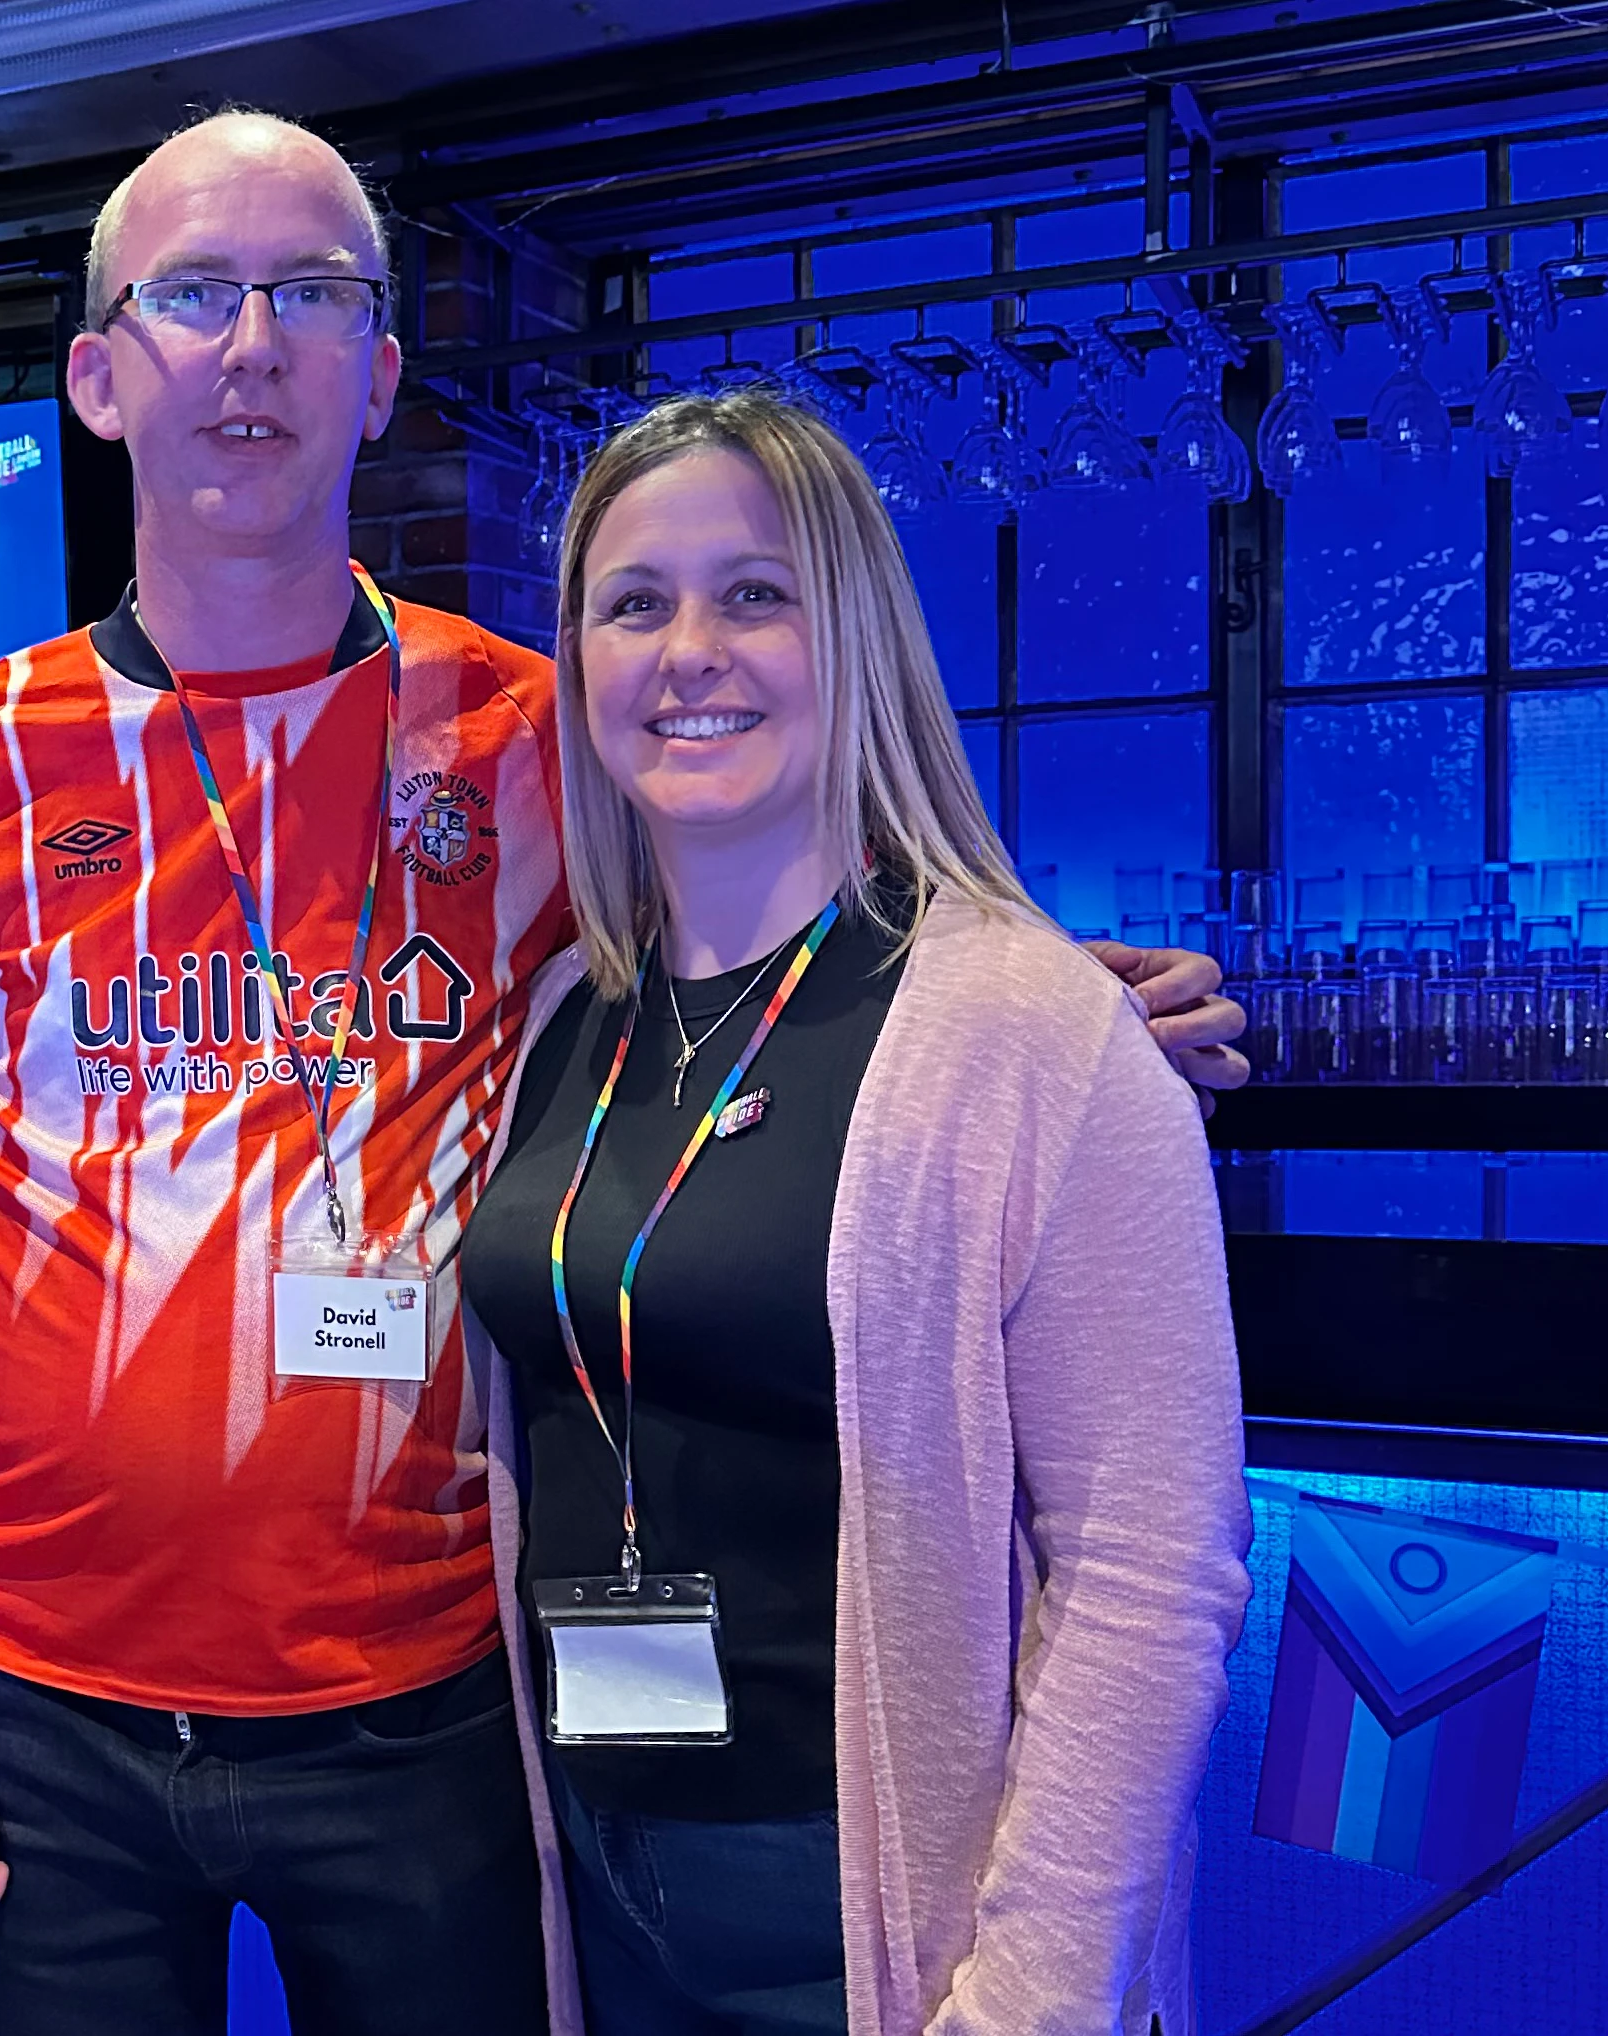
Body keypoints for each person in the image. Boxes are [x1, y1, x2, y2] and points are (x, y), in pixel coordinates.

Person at [0, 112, 1244, 2035]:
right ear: (95, 376)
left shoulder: (523, 734)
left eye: (313, 296)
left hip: (434, 1699)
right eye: (196, 295)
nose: (253, 346)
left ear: (382, 372)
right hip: (39, 1697)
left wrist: (1049, 995)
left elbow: (783, 896)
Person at [459, 390, 1252, 2036]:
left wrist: (1030, 1996)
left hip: (888, 1917)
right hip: (596, 1874)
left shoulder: (1034, 1031)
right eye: (634, 602)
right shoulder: (562, 1023)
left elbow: (1149, 1579)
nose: (691, 649)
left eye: (758, 593)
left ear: (862, 637)